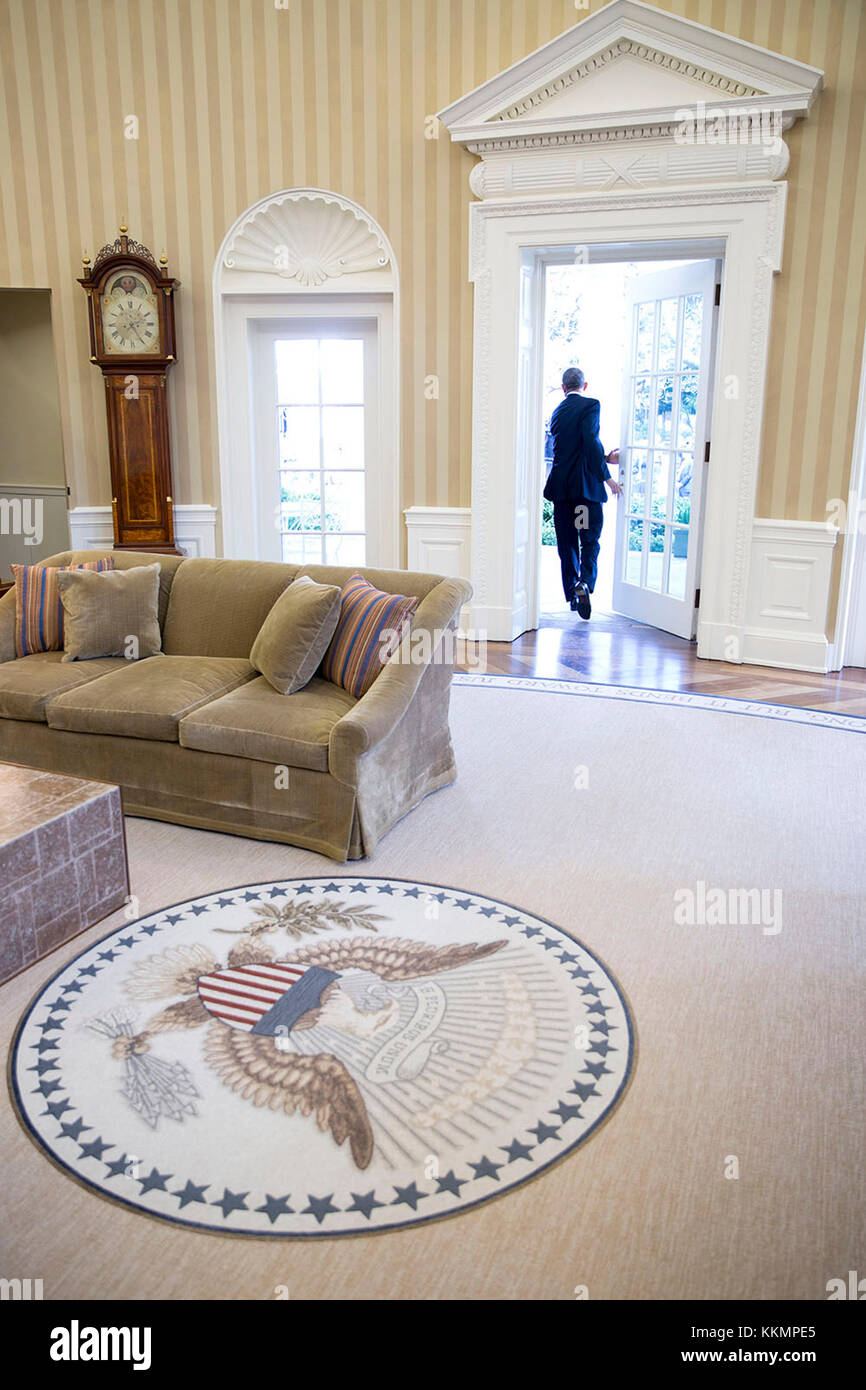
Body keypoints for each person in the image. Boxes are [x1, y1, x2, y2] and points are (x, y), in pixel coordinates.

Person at [543, 366, 622, 620]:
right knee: (588, 540)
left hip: (561, 492)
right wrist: (607, 476)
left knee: (567, 544)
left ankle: (573, 595)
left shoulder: (556, 412)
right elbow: (590, 441)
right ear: (584, 386)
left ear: (563, 388)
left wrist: (603, 457)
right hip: (583, 494)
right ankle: (585, 584)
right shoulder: (591, 405)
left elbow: (571, 448)